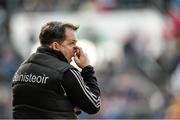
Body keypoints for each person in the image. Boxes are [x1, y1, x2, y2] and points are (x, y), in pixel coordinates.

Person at [12, 21, 101, 119]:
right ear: (55, 46)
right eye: (71, 43)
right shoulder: (65, 72)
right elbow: (94, 105)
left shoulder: (21, 70)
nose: (76, 49)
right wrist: (87, 69)